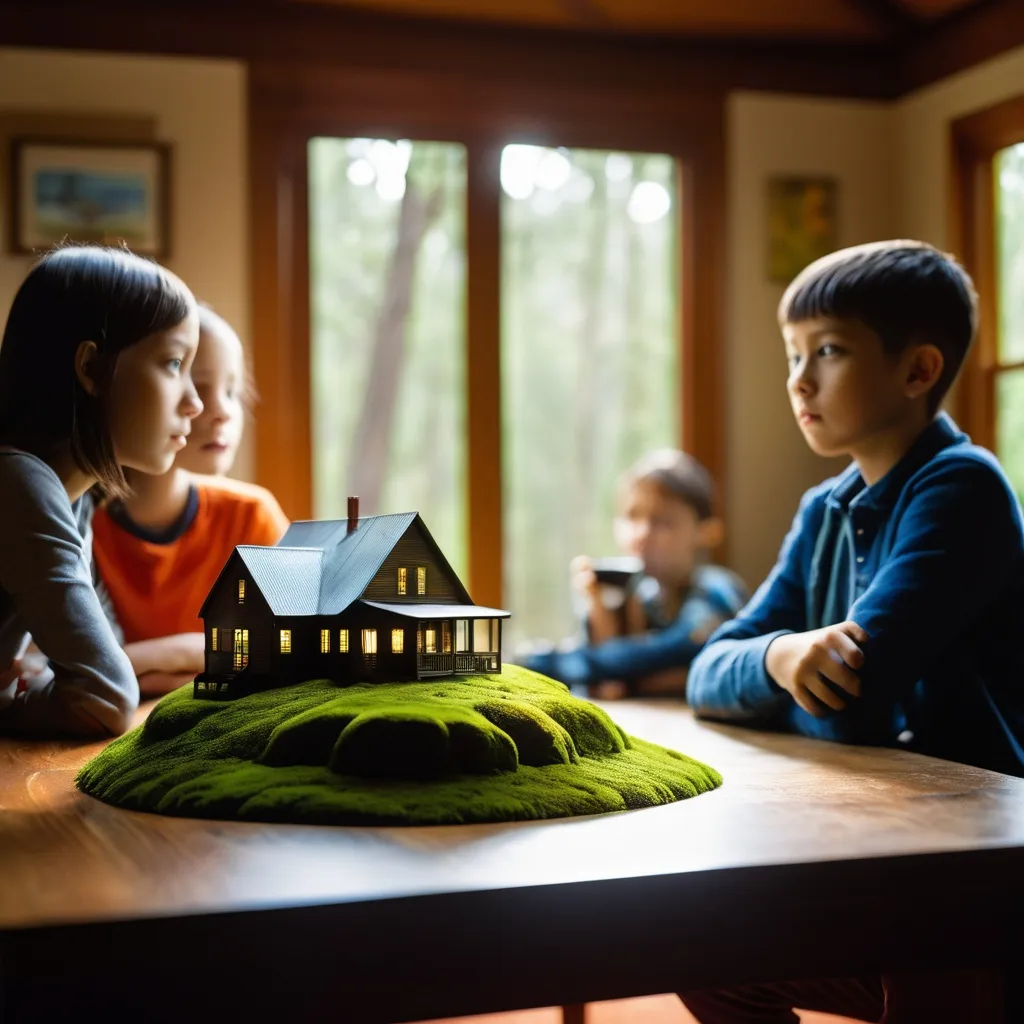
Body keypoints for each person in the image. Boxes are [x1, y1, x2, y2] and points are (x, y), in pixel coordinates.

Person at [680, 240, 1018, 1022]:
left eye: (827, 352)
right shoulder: (821, 508)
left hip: (977, 868)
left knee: (936, 969)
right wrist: (779, 656)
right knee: (703, 951)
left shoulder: (963, 490)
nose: (799, 380)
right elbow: (708, 674)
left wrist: (780, 683)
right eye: (792, 354)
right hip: (880, 845)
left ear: (918, 370)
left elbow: (853, 702)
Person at [0, 244, 202, 737]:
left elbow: (103, 649)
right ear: (91, 369)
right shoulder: (18, 484)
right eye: (174, 363)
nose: (194, 402)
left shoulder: (77, 499)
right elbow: (106, 695)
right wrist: (14, 705)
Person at [92, 304, 288, 695]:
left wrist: (132, 661)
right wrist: (207, 659)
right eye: (197, 385)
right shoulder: (83, 528)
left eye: (232, 391)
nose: (221, 413)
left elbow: (287, 650)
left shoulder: (252, 516)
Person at [519, 449, 747, 699]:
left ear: (707, 532)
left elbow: (676, 650)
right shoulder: (644, 595)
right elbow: (612, 681)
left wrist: (543, 663)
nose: (642, 534)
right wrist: (599, 613)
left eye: (663, 522)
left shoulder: (718, 589)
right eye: (632, 516)